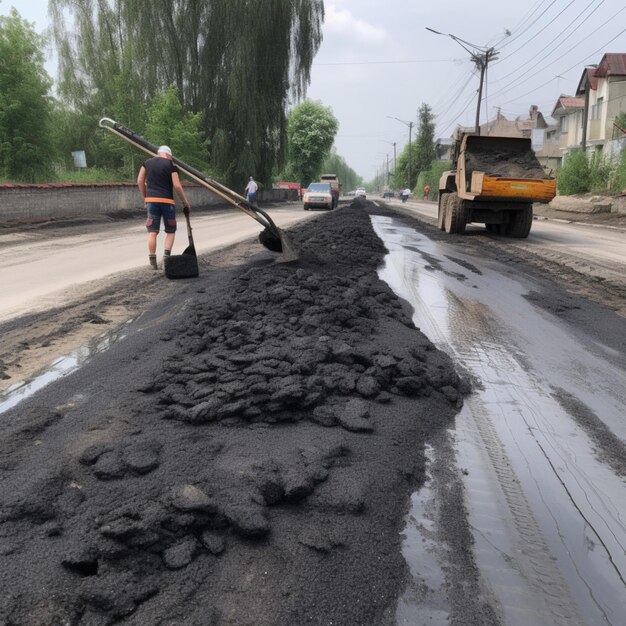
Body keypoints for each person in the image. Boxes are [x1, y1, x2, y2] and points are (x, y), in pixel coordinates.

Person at [137, 146, 191, 270]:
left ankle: (153, 263)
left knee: (152, 232)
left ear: (159, 153)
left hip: (151, 201)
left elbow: (140, 181)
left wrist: (145, 197)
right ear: (168, 155)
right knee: (170, 231)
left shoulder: (147, 163)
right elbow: (177, 186)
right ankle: (166, 260)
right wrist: (185, 202)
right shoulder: (171, 165)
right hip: (167, 202)